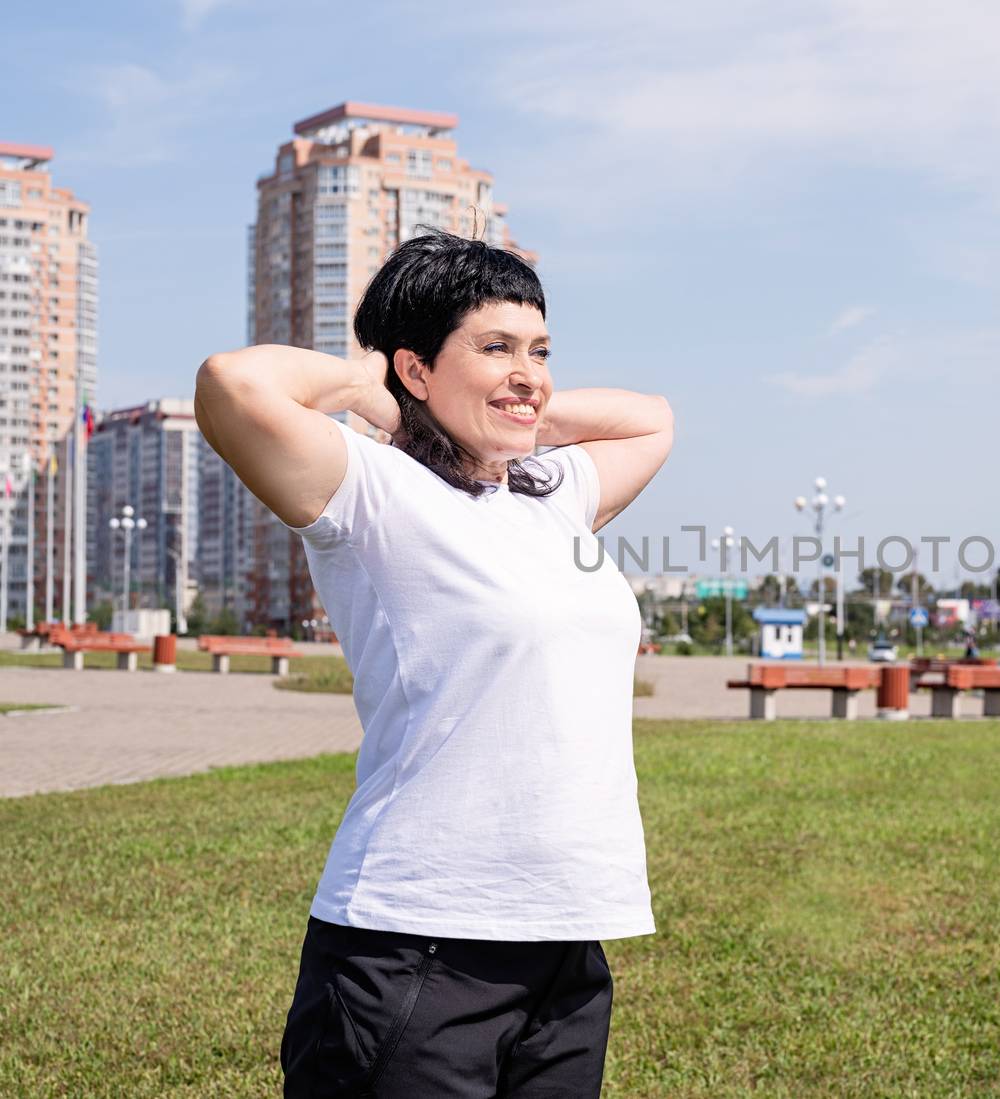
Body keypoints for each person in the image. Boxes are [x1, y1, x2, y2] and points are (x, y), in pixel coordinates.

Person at [194, 230, 673, 1098]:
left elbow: (653, 419)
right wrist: (376, 393)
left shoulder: (547, 495)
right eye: (494, 346)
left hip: (567, 946)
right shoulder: (371, 492)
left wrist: (506, 403)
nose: (529, 370)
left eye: (540, 350)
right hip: (416, 945)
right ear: (414, 368)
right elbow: (232, 384)